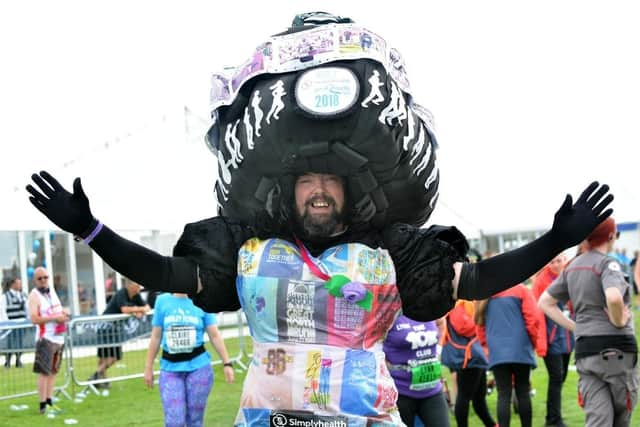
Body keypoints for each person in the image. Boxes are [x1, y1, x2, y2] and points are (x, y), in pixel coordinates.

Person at [25, 11, 615, 426]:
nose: (318, 191)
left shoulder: (392, 250)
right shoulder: (248, 249)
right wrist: (89, 231)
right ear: (291, 189)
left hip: (365, 417)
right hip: (270, 419)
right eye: (307, 180)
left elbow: (478, 281)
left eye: (329, 180)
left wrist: (554, 240)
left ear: (347, 188)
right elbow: (163, 273)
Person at [539, 217, 639, 427]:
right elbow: (613, 296)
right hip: (617, 350)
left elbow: (545, 302)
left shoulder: (572, 267)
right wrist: (618, 319)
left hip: (586, 351)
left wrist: (576, 327)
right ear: (611, 237)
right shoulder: (608, 263)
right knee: (621, 419)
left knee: (597, 420)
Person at [144, 292, 235, 427]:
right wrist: (148, 367)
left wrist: (227, 363)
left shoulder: (203, 301)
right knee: (175, 421)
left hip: (199, 369)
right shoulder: (162, 301)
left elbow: (214, 335)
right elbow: (156, 337)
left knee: (195, 420)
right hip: (170, 370)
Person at [477, 283, 544, 427]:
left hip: (497, 350)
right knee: (523, 391)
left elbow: (479, 325)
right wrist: (531, 343)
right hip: (520, 347)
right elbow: (533, 319)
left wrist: (487, 347)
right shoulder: (521, 290)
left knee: (503, 394)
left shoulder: (485, 293)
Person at [383, 316, 450, 427]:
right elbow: (371, 340)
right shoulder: (390, 311)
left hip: (432, 390)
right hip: (399, 393)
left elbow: (441, 322)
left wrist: (438, 350)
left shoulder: (429, 307)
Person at [532, 253, 574, 427]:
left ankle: (552, 416)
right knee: (556, 377)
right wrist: (541, 340)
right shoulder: (541, 281)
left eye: (559, 260)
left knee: (561, 377)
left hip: (567, 337)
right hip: (550, 338)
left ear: (565, 259)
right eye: (552, 261)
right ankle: (554, 420)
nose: (556, 264)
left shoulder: (570, 275)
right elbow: (536, 311)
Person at [441, 299, 496, 427]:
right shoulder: (459, 304)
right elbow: (463, 327)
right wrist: (482, 322)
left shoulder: (467, 303)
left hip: (475, 356)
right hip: (469, 357)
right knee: (464, 397)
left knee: (479, 398)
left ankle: (492, 424)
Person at [90, 278, 150, 388]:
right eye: (137, 285)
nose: (139, 288)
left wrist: (139, 310)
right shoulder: (121, 293)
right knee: (105, 356)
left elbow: (147, 307)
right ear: (130, 285)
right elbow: (124, 309)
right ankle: (99, 378)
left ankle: (96, 377)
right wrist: (137, 310)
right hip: (105, 326)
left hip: (115, 328)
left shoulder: (136, 295)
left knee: (115, 356)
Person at [27, 266, 69, 415]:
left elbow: (57, 309)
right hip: (45, 338)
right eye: (40, 278)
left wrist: (63, 313)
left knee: (53, 371)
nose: (43, 280)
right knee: (44, 372)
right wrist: (54, 318)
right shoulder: (34, 295)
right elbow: (34, 319)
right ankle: (42, 405)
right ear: (35, 280)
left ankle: (50, 401)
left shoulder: (51, 291)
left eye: (45, 277)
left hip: (58, 336)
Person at [1, 276, 29, 367]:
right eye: (18, 283)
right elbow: (2, 310)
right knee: (11, 343)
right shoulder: (5, 296)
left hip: (22, 324)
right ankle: (8, 361)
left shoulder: (23, 295)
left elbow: (27, 308)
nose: (20, 285)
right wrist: (7, 324)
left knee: (20, 342)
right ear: (12, 284)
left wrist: (28, 320)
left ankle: (18, 360)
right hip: (11, 324)